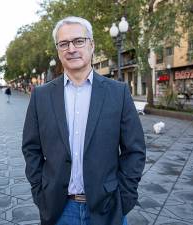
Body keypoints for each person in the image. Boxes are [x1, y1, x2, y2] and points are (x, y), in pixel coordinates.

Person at [22, 16, 146, 225]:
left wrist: (124, 198)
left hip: (108, 207)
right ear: (58, 50)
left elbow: (135, 150)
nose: (71, 48)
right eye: (64, 43)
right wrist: (40, 192)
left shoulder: (118, 93)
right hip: (58, 209)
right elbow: (31, 148)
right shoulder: (41, 96)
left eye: (78, 41)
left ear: (91, 44)